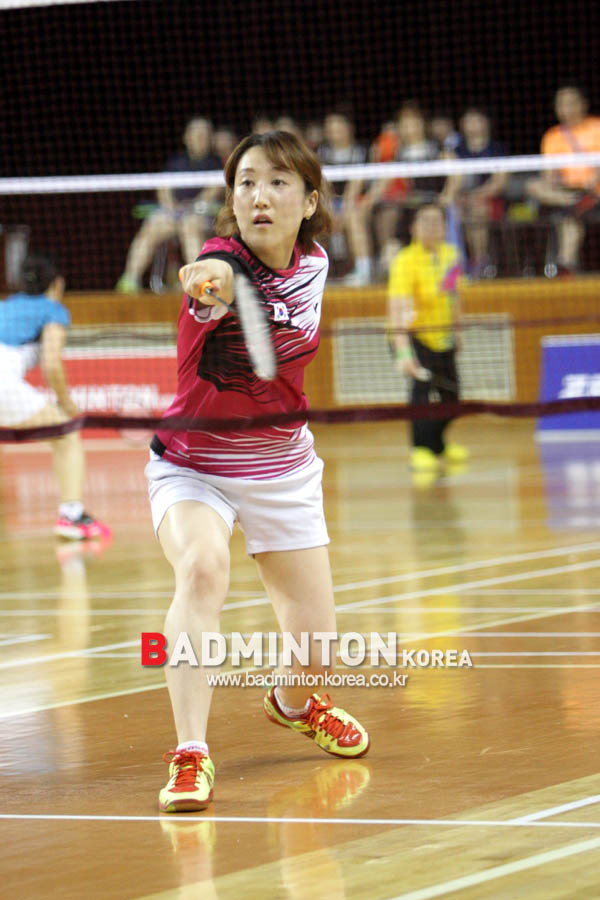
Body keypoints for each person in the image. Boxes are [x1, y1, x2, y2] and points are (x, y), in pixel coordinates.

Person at [146, 131, 370, 814]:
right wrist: (205, 282)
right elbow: (207, 278)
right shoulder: (221, 263)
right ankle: (190, 751)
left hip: (283, 469)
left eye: (277, 182)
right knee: (202, 569)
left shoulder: (315, 263)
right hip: (195, 464)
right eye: (245, 182)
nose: (259, 196)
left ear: (309, 201)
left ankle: (294, 704)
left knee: (317, 650)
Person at [0, 254, 111, 539]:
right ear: (57, 283)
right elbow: (51, 364)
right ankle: (72, 516)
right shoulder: (53, 310)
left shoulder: (5, 305)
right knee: (66, 435)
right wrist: (66, 403)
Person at [388, 204, 468, 472]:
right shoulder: (405, 261)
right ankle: (420, 449)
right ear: (414, 227)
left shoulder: (451, 256)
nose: (432, 227)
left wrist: (457, 330)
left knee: (452, 397)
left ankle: (437, 445)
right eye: (425, 221)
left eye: (437, 222)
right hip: (412, 336)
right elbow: (397, 308)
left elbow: (453, 294)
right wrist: (404, 353)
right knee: (421, 393)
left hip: (442, 336)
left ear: (445, 227)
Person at [116, 118, 222, 293]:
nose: (200, 138)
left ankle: (199, 282)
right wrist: (171, 207)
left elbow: (215, 189)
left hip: (202, 216)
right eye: (196, 134)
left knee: (189, 226)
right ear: (186, 137)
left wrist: (192, 206)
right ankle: (130, 278)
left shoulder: (216, 162)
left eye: (204, 134)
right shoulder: (176, 162)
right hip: (175, 214)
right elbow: (163, 187)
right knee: (152, 225)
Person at [526, 86, 600, 274]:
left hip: (594, 191)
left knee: (569, 217)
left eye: (571, 103)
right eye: (561, 104)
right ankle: (573, 202)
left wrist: (593, 180)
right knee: (532, 186)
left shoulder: (597, 127)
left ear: (583, 104)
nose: (566, 108)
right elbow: (548, 174)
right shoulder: (552, 136)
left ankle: (566, 263)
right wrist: (553, 181)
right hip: (566, 192)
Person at [442, 109, 508, 278]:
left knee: (476, 210)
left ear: (486, 123)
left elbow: (499, 182)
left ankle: (480, 260)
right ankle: (454, 264)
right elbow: (453, 180)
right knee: (450, 212)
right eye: (468, 121)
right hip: (462, 199)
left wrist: (477, 196)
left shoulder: (497, 148)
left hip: (491, 200)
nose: (472, 125)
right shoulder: (457, 150)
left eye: (476, 120)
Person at [318, 111, 371, 284]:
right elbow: (322, 183)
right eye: (331, 129)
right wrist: (329, 208)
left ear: (348, 129)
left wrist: (344, 211)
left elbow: (356, 184)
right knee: (314, 218)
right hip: (329, 201)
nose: (335, 133)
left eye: (339, 128)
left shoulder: (360, 151)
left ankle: (364, 270)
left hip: (355, 200)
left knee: (353, 218)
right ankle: (313, 270)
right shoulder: (323, 151)